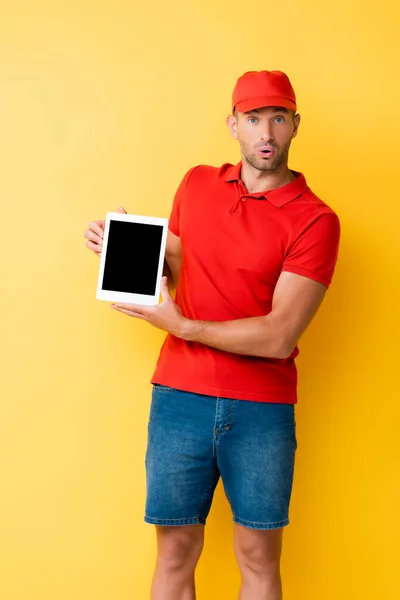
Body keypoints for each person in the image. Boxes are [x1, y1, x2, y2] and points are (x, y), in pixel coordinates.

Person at [83, 70, 341, 600]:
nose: (265, 131)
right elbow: (180, 260)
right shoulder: (197, 183)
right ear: (233, 125)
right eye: (253, 119)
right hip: (180, 398)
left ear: (295, 125)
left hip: (261, 408)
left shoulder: (316, 221)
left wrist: (181, 326)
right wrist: (125, 246)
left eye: (277, 118)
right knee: (175, 550)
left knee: (257, 557)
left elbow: (278, 335)